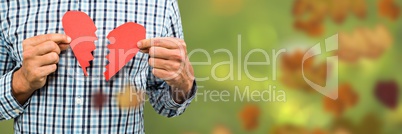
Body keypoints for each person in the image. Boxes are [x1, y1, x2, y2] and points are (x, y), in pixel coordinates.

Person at [0, 0, 197, 133]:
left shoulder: (160, 4)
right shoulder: (9, 4)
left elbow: (166, 103)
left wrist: (183, 84)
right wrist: (21, 82)